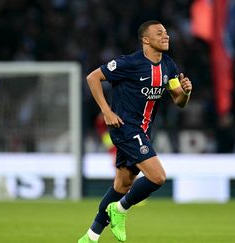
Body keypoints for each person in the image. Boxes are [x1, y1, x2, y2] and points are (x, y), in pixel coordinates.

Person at [78, 20, 192, 243]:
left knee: (122, 184)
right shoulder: (129, 63)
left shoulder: (168, 65)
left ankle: (90, 237)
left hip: (143, 130)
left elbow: (179, 100)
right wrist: (106, 111)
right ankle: (120, 210)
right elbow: (93, 77)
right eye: (159, 33)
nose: (166, 36)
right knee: (157, 177)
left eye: (167, 33)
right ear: (146, 40)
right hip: (125, 127)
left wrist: (186, 92)